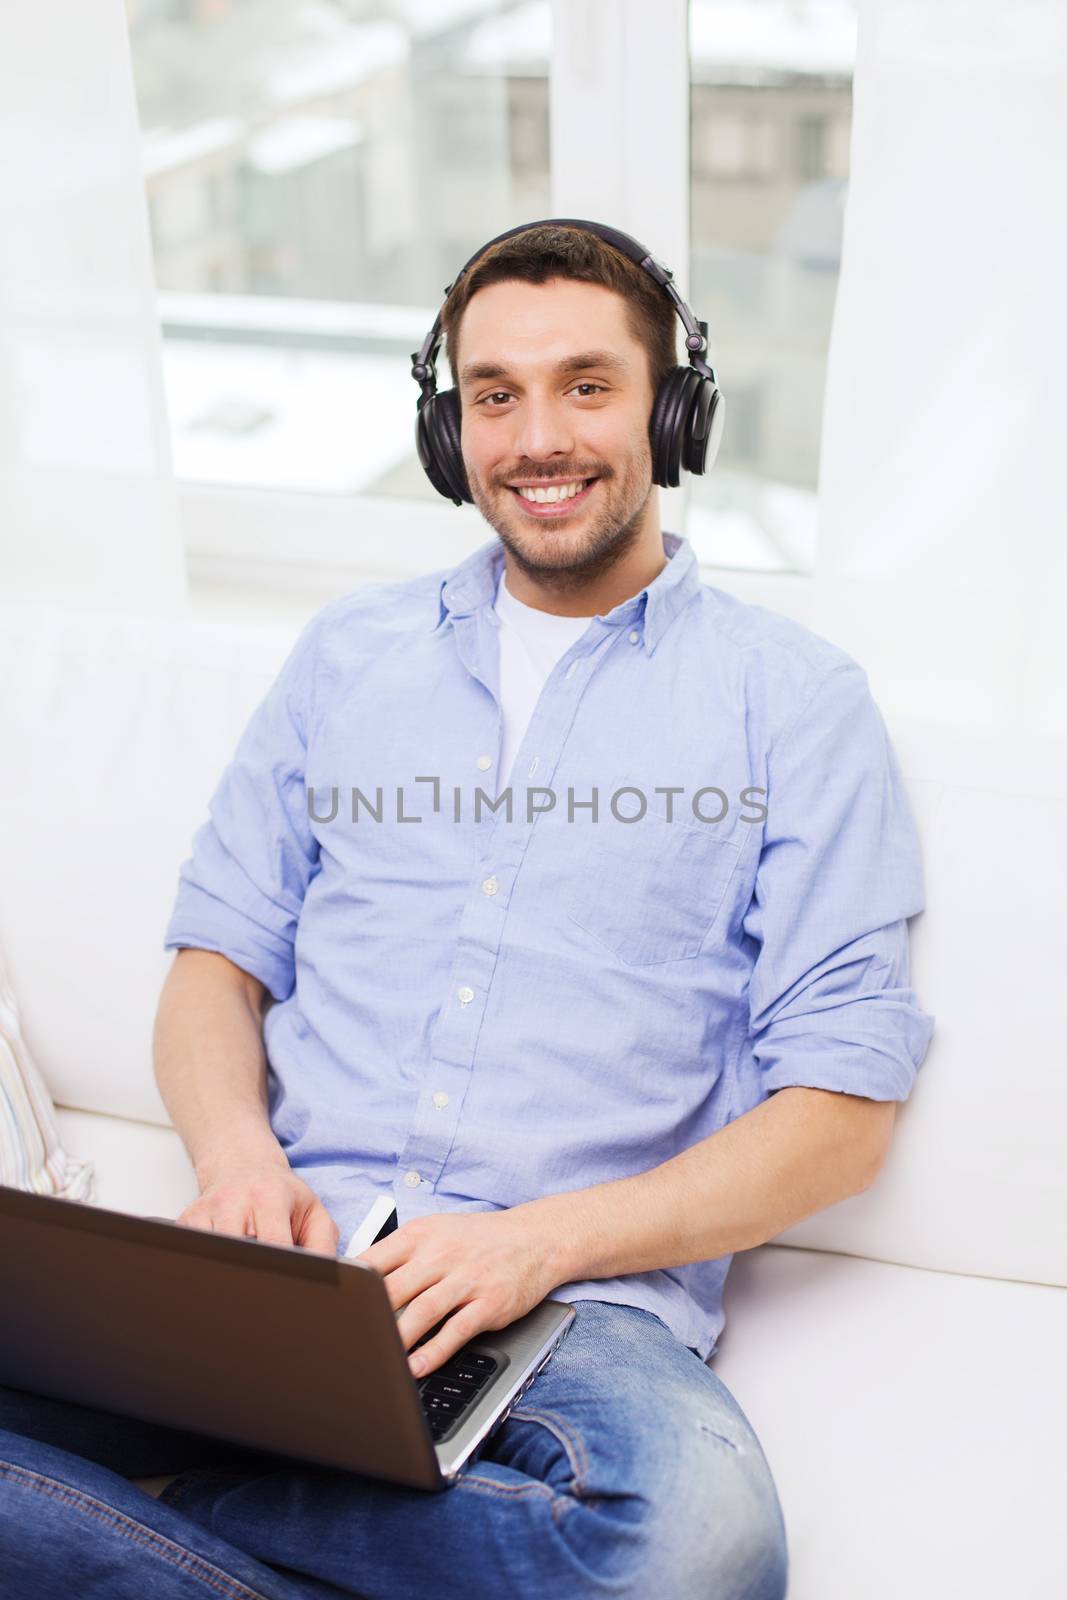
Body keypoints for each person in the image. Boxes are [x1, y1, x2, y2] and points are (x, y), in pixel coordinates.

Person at [0, 221, 934, 1599]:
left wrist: (539, 1241)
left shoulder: (793, 702)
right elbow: (218, 960)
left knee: (693, 1555)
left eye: (588, 386)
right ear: (453, 433)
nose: (537, 436)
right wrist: (240, 1163)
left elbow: (842, 1116)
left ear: (674, 413)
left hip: (576, 1307)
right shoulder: (348, 654)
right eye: (495, 395)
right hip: (296, 1260)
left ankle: (173, 1503)